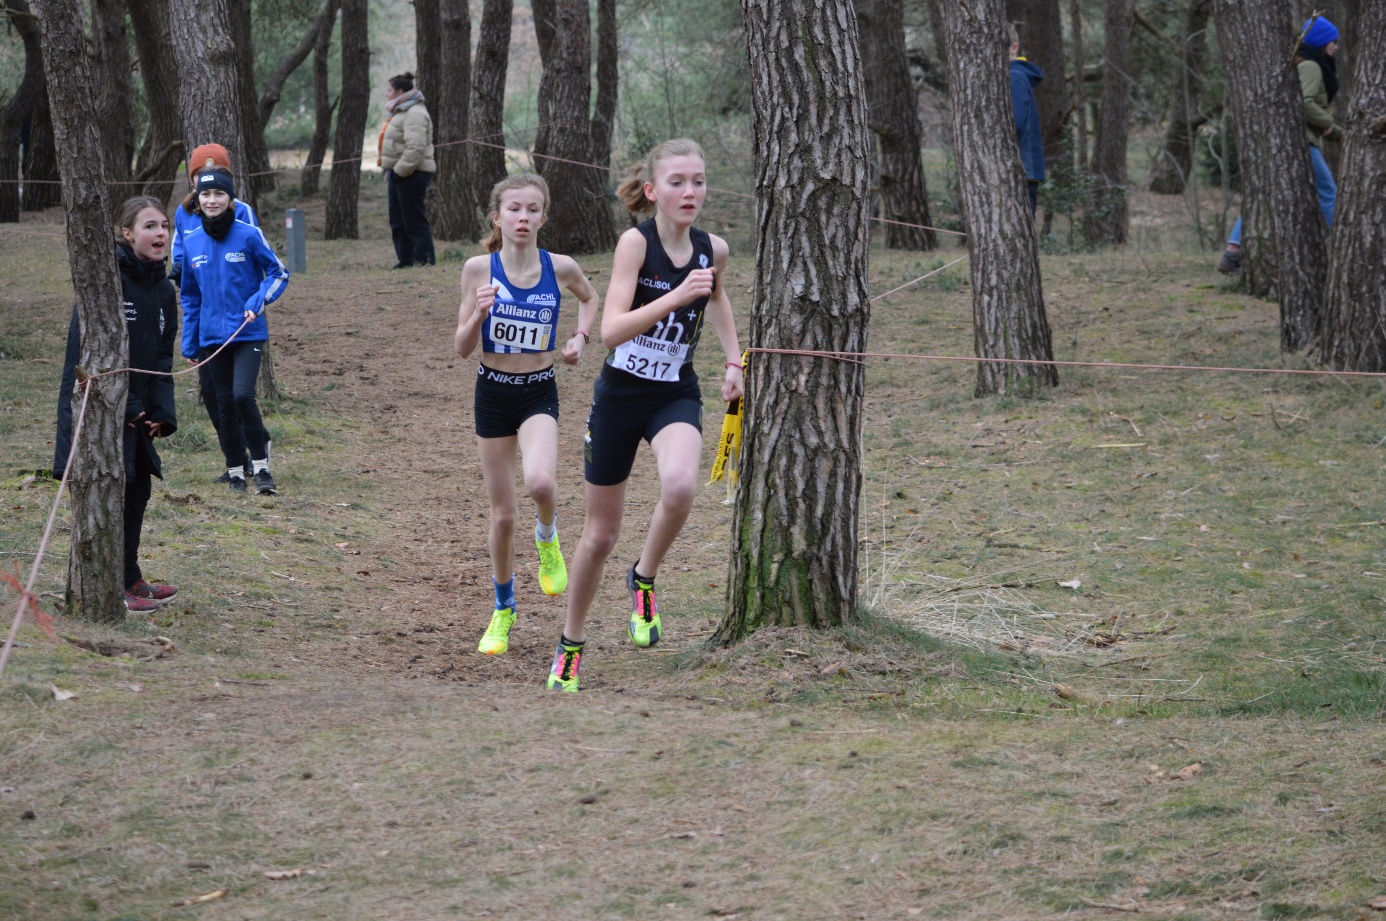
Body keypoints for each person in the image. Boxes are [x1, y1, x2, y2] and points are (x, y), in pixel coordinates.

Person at [547, 139, 744, 692]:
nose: (691, 192)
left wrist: (734, 359)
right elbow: (610, 330)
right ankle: (571, 644)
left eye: (699, 181)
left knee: (680, 487)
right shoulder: (635, 244)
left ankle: (645, 577)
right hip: (620, 394)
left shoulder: (714, 249)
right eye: (678, 181)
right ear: (653, 190)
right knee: (600, 535)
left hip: (673, 392)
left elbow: (719, 298)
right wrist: (677, 296)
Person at [453, 174, 601, 656]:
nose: (523, 217)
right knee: (501, 516)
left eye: (532, 209)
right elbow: (461, 347)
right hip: (492, 391)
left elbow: (590, 298)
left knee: (540, 483)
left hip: (538, 389)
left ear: (543, 217)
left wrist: (579, 338)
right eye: (514, 209)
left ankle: (548, 536)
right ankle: (503, 608)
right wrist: (477, 314)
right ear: (497, 216)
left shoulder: (560, 267)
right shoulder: (478, 268)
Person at [54, 196, 180, 613]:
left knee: (138, 490)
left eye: (164, 225)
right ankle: (107, 587)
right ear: (127, 233)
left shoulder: (163, 290)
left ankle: (131, 577)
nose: (160, 233)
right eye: (149, 226)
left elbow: (163, 356)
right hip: (103, 412)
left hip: (142, 414)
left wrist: (162, 411)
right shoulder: (107, 285)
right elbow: (86, 360)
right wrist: (124, 405)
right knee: (112, 491)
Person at [180, 167, 290, 495]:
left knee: (243, 395)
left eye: (219, 194)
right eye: (206, 194)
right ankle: (235, 472)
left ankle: (262, 468)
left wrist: (258, 300)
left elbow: (279, 273)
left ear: (230, 200)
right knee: (223, 403)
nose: (212, 200)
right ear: (197, 200)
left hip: (248, 332)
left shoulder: (248, 233)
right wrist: (189, 342)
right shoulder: (192, 240)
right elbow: (190, 295)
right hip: (211, 337)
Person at [1218, 16, 1342, 274]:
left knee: (1266, 193)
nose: (1336, 47)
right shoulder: (1312, 67)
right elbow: (1306, 104)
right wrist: (1329, 124)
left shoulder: (1309, 64)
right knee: (1328, 192)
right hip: (1302, 143)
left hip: (1294, 141)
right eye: (1333, 41)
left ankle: (1233, 251)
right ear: (1321, 42)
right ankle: (1345, 245)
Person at [170, 144, 260, 482]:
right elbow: (181, 248)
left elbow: (254, 256)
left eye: (217, 177)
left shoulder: (244, 212)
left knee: (238, 394)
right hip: (204, 317)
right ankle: (235, 459)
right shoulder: (184, 212)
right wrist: (179, 268)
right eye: (197, 178)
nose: (206, 191)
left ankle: (253, 448)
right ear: (192, 181)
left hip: (238, 321)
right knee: (212, 393)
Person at [378, 72, 436, 269]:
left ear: (400, 92)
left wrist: (400, 170)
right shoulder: (401, 112)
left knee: (413, 220)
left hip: (413, 173)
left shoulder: (415, 113)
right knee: (398, 221)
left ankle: (424, 261)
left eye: (389, 91)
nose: (387, 94)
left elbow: (415, 148)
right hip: (398, 173)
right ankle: (406, 261)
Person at [1009, 24, 1045, 215]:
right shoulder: (1017, 75)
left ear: (1014, 48)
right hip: (1024, 170)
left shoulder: (1014, 76)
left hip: (1020, 171)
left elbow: (1016, 122)